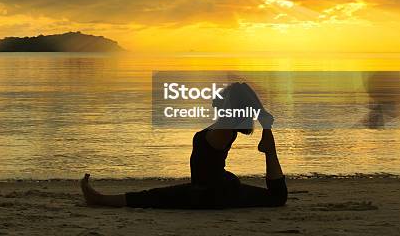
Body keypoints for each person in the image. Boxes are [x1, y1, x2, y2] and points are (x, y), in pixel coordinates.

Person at [80, 82, 287, 209]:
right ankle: (270, 151)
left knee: (154, 197)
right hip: (217, 187)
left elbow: (241, 90)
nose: (220, 97)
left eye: (225, 96)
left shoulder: (227, 125)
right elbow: (231, 95)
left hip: (211, 194)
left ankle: (99, 199)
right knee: (274, 198)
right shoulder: (226, 125)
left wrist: (263, 117)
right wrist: (264, 118)